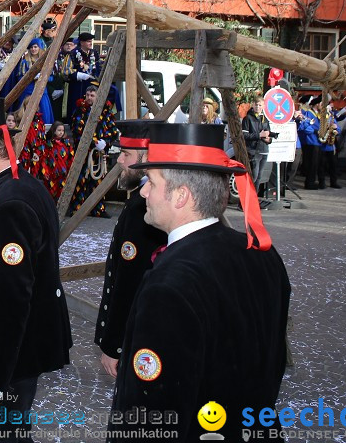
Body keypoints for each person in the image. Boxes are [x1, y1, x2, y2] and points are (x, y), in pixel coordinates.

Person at [108, 123, 289, 440]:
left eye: (152, 181)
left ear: (181, 196)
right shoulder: (263, 253)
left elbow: (152, 410)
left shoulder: (169, 283)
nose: (145, 191)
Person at [0, 98, 72, 440]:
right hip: (16, 354)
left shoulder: (9, 205)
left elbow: (9, 304)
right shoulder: (17, 185)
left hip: (8, 361)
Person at [94, 120, 165, 378]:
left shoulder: (142, 207)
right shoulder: (141, 199)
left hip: (139, 335)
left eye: (126, 154)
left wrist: (114, 343)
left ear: (146, 158)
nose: (120, 161)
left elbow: (129, 281)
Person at [68, 83, 118, 218]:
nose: (89, 98)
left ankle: (98, 209)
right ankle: (78, 209)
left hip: (99, 154)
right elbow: (78, 131)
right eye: (88, 95)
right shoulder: (79, 111)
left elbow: (113, 131)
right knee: (81, 181)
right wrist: (94, 142)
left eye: (92, 95)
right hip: (84, 153)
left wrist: (105, 143)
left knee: (98, 182)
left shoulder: (106, 112)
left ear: (97, 97)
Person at [8, 38, 54, 124]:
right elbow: (20, 78)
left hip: (41, 92)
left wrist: (43, 77)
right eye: (31, 47)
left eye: (35, 47)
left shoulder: (46, 61)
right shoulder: (24, 61)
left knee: (44, 114)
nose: (33, 49)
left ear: (39, 48)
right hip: (28, 92)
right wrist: (31, 77)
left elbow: (51, 78)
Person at [241, 96, 273, 195]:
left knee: (259, 177)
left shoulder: (265, 119)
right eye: (256, 105)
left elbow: (268, 133)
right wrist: (259, 135)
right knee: (253, 176)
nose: (258, 107)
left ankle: (253, 199)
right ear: (253, 105)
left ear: (263, 106)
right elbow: (244, 135)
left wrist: (269, 139)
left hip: (264, 149)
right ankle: (244, 200)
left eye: (260, 105)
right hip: (253, 151)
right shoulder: (247, 118)